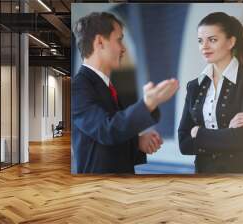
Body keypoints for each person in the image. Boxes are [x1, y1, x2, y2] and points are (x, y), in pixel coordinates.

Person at [72, 12, 178, 173]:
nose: (123, 48)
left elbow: (107, 139)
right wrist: (148, 103)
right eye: (119, 40)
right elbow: (107, 130)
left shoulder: (104, 85)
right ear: (100, 41)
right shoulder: (78, 86)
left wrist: (137, 143)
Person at [178, 12, 243, 173]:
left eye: (212, 40)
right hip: (205, 173)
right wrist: (228, 133)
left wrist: (199, 133)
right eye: (200, 41)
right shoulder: (194, 86)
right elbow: (183, 143)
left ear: (231, 42)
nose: (204, 46)